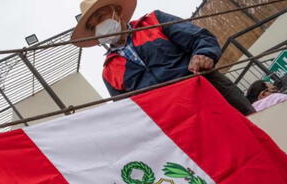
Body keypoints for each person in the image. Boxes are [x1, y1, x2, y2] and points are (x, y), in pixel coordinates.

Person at [71, 0, 256, 115]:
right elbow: (129, 110)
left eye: (101, 16)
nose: (100, 25)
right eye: (94, 26)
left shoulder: (153, 21)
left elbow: (200, 37)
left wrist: (203, 54)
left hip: (213, 94)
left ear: (115, 11)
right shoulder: (109, 72)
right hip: (177, 123)